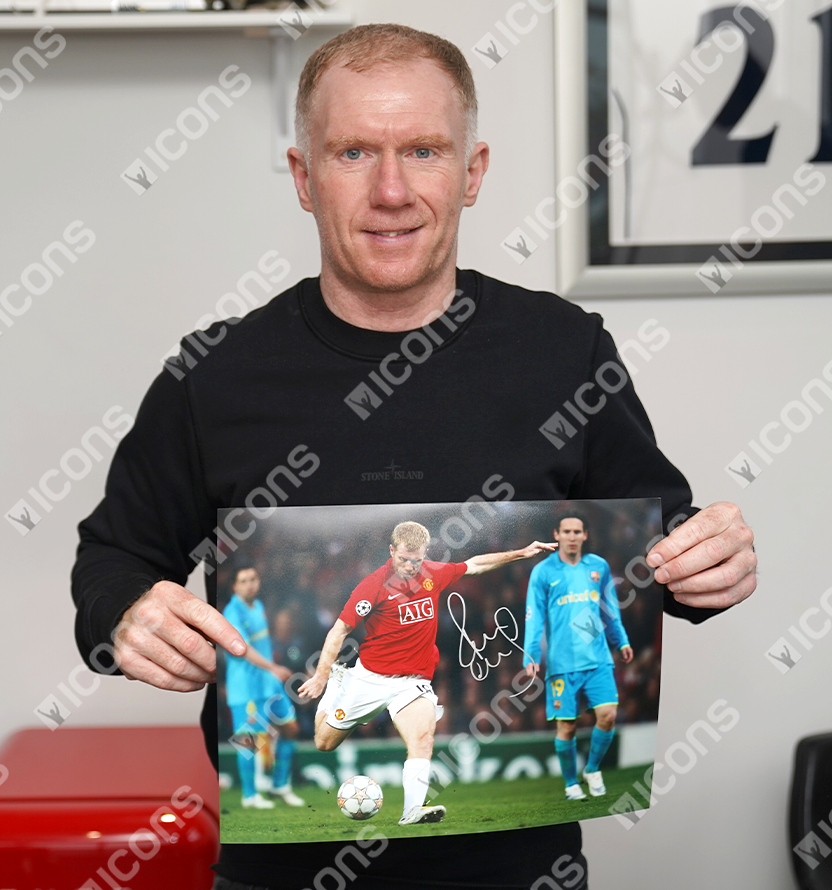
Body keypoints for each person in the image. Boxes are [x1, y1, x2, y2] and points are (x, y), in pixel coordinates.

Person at [71, 23, 757, 890]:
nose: (391, 189)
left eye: (424, 150)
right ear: (303, 177)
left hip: (522, 870)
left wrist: (710, 559)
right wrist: (124, 613)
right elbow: (112, 557)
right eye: (354, 151)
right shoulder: (213, 375)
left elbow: (658, 544)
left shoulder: (564, 351)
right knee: (327, 734)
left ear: (470, 176)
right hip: (273, 873)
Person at [298, 520, 555, 825]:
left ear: (425, 554)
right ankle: (336, 689)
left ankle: (411, 813)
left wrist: (521, 553)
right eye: (404, 559)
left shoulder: (433, 573)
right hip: (368, 678)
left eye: (416, 560)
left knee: (423, 739)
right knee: (324, 743)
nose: (410, 566)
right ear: (392, 550)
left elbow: (473, 565)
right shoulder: (373, 586)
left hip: (412, 683)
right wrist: (322, 676)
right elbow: (340, 630)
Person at [523, 514, 632, 801]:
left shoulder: (598, 567)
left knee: (608, 715)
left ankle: (592, 769)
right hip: (562, 662)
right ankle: (571, 783)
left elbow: (609, 609)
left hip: (598, 659)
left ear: (585, 535)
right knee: (567, 726)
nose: (571, 536)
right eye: (566, 531)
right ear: (556, 534)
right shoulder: (544, 572)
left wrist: (620, 640)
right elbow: (534, 618)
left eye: (577, 531)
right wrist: (531, 655)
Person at [222, 564, 304, 809]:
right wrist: (273, 668)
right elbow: (243, 649)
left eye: (253, 579)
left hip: (269, 684)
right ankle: (250, 796)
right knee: (249, 740)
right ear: (235, 586)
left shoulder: (257, 606)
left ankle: (280, 785)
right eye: (244, 580)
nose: (250, 584)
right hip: (246, 686)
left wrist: (271, 672)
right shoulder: (232, 612)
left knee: (290, 728)